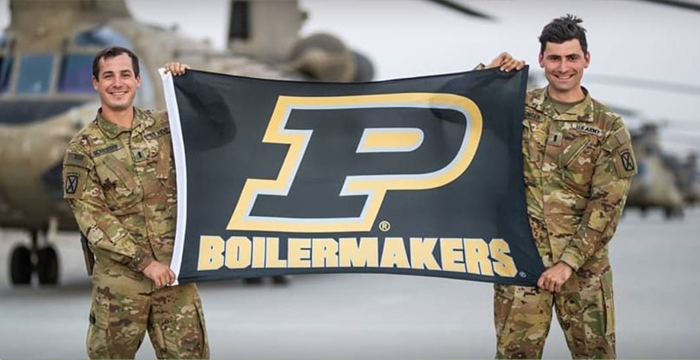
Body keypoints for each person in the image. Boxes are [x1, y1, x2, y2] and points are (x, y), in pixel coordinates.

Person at [482, 15, 637, 359]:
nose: (563, 67)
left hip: (583, 274)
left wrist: (567, 263)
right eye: (554, 58)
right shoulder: (516, 106)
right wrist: (487, 77)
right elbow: (448, 113)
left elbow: (606, 206)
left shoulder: (608, 127)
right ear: (541, 60)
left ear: (586, 59)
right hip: (522, 264)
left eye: (571, 58)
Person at [62, 46, 208, 359]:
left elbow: (221, 131)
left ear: (138, 81)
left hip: (175, 279)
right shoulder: (83, 148)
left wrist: (189, 85)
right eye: (108, 76)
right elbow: (92, 218)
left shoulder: (166, 128)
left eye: (125, 74)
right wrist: (145, 263)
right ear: (95, 83)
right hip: (121, 286)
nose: (118, 83)